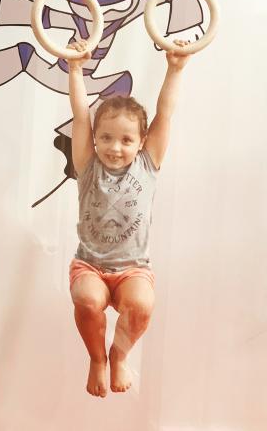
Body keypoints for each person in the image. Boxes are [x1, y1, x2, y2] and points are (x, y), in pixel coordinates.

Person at [67, 39, 191, 397]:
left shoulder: (147, 165)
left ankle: (118, 355)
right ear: (95, 139)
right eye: (105, 137)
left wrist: (175, 69)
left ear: (141, 141)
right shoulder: (88, 166)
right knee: (88, 300)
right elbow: (80, 115)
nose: (114, 147)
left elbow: (165, 114)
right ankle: (97, 359)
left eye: (125, 139)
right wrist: (75, 68)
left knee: (141, 305)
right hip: (90, 265)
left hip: (132, 267)